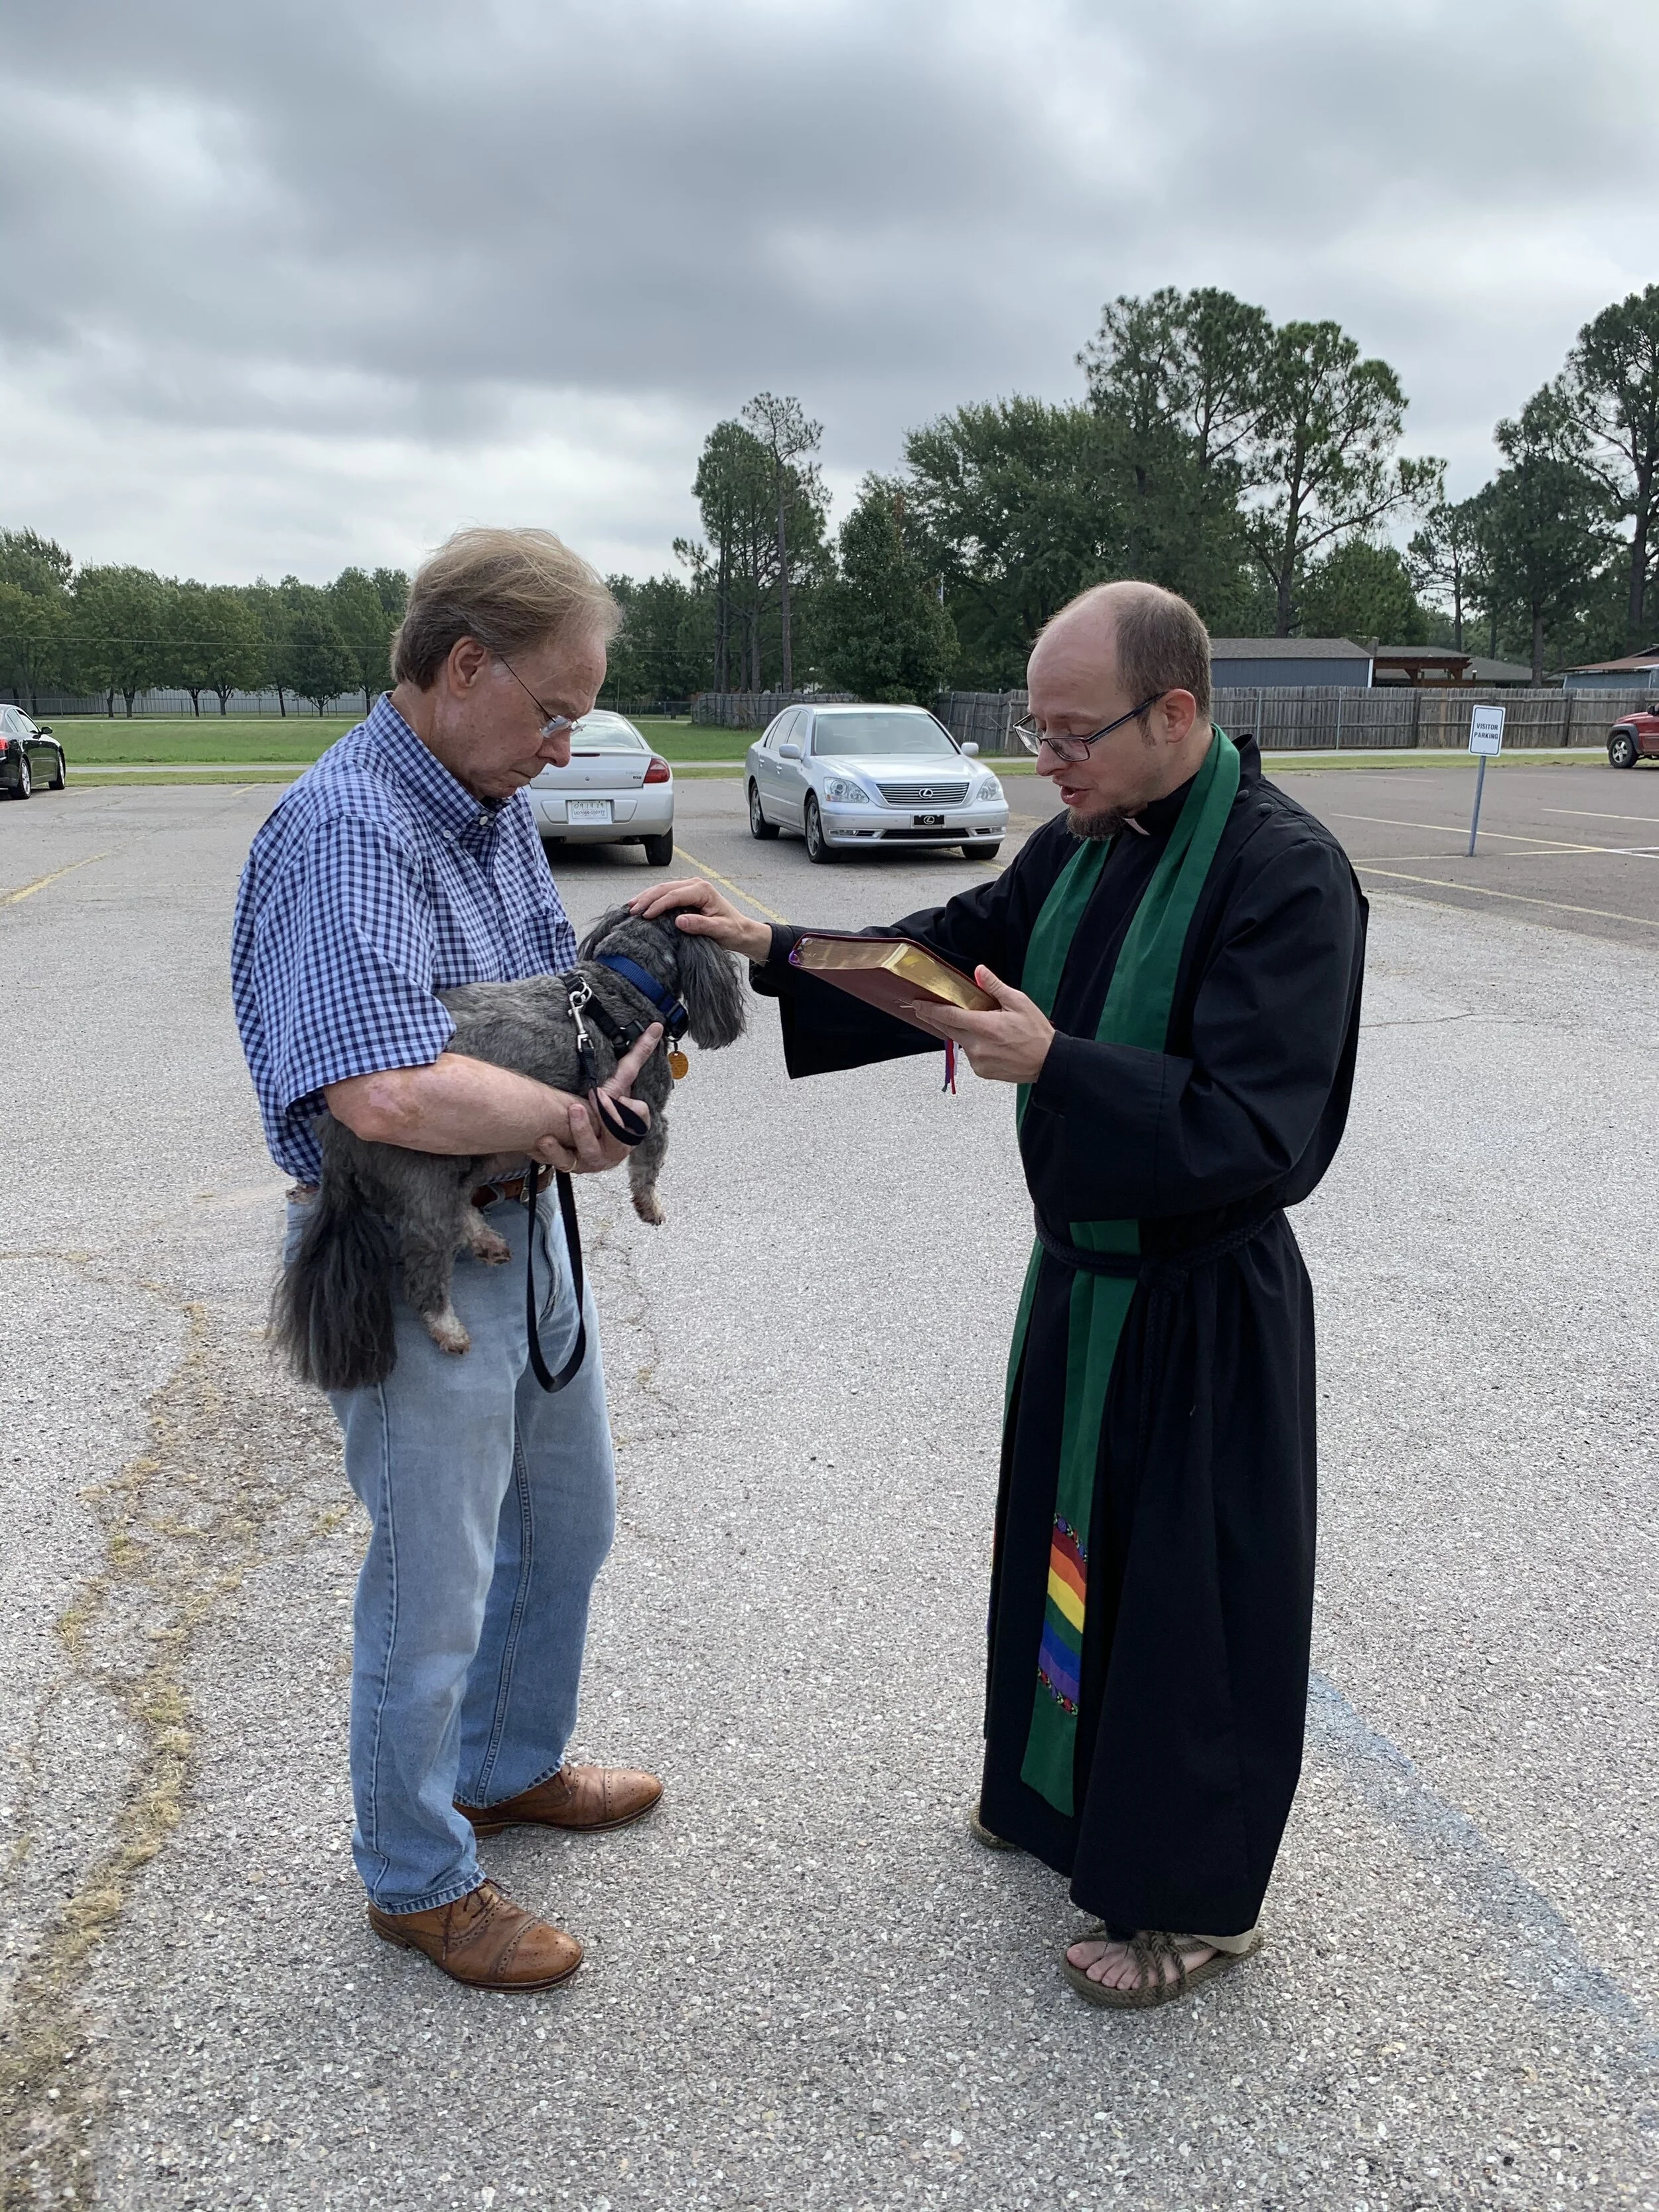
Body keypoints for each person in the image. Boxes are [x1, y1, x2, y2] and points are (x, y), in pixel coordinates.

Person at [636, 581, 1366, 2009]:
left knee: (1192, 1607)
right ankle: (1061, 1806)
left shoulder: (1283, 872)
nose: (1045, 759)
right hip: (1084, 1280)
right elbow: (949, 953)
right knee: (1067, 1559)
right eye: (1029, 729)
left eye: (1068, 730)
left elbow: (1265, 1129)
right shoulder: (1089, 841)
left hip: (1199, 1303)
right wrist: (770, 943)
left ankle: (1193, 1901)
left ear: (1175, 712)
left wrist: (1063, 1068)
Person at [232, 528, 665, 1994]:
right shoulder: (353, 825)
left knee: (566, 1524)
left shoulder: (482, 808)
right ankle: (416, 1876)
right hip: (412, 1246)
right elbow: (383, 1088)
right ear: (461, 665)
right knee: (431, 1586)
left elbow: (544, 997)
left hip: (521, 1224)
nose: (560, 744)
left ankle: (502, 1764)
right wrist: (567, 1113)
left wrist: (624, 1029)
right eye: (549, 709)